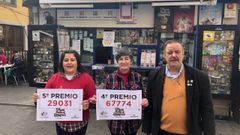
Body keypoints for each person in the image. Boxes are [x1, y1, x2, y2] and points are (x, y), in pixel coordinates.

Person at [142, 40, 215, 135]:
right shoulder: (154, 76)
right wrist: (147, 130)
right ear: (164, 56)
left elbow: (207, 109)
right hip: (161, 132)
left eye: (177, 52)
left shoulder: (199, 77)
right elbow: (150, 104)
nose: (173, 55)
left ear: (183, 55)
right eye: (169, 52)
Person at [33, 50, 96, 135]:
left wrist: (88, 103)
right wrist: (37, 99)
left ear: (77, 62)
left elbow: (94, 98)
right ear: (62, 63)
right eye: (66, 60)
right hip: (60, 124)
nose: (69, 62)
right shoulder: (54, 78)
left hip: (79, 124)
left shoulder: (86, 78)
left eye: (72, 60)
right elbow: (45, 96)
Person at [90, 47, 149, 135]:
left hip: (133, 123)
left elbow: (143, 96)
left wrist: (145, 101)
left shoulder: (138, 77)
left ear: (131, 61)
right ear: (117, 62)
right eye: (121, 59)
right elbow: (102, 96)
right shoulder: (110, 78)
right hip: (115, 123)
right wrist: (96, 99)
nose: (124, 61)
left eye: (126, 58)